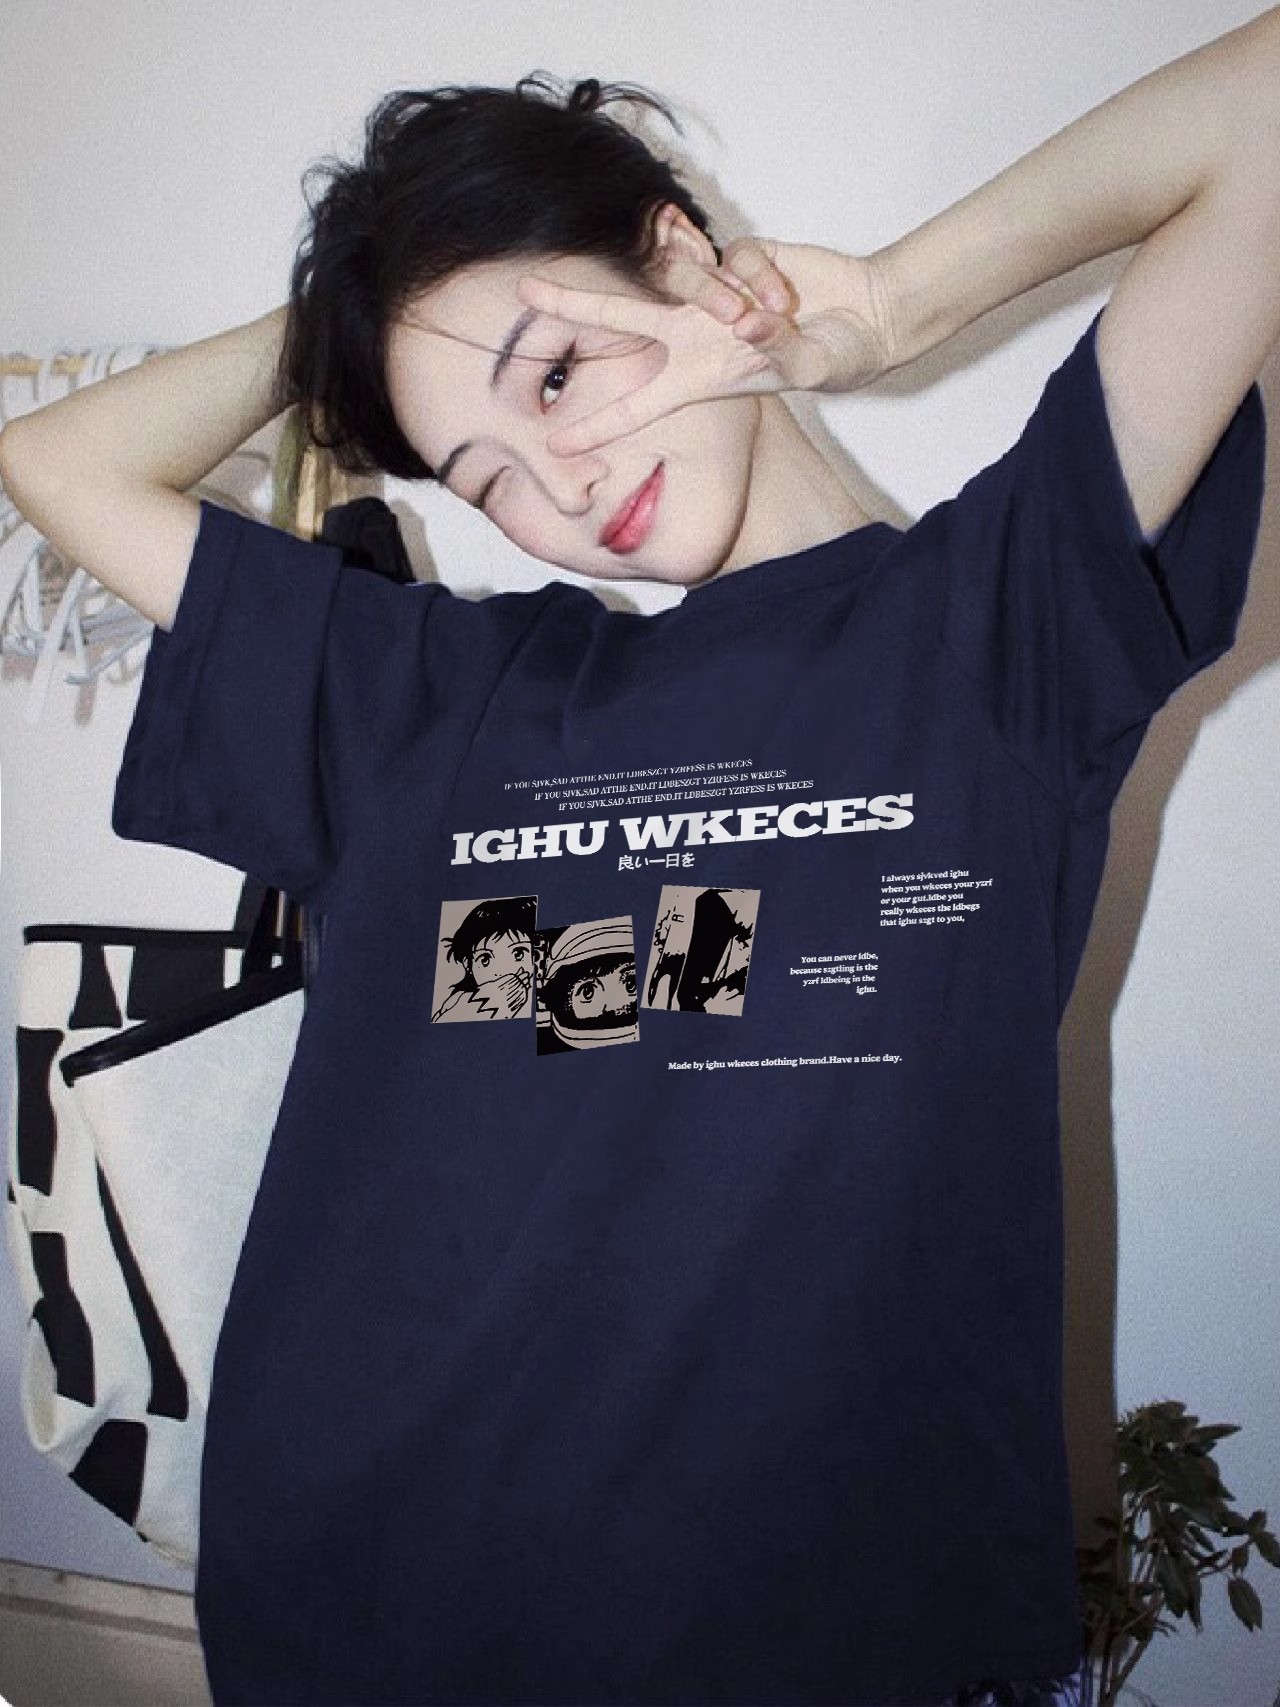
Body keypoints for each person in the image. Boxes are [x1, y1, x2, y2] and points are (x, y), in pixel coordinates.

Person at [0, 9, 1276, 1703]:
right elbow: (57, 460)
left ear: (679, 259)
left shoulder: (1001, 625)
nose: (562, 479)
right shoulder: (435, 695)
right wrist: (355, 314)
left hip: (813, 1642)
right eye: (486, 475)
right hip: (368, 1609)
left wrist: (891, 305)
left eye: (555, 374)